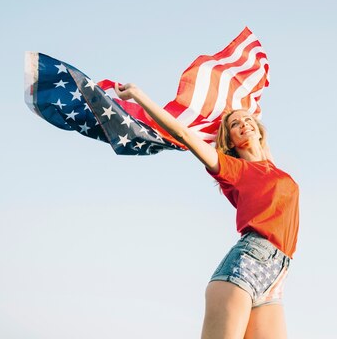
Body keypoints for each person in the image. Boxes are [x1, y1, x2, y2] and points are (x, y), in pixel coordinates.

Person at [114, 83, 299, 339]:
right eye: (235, 124)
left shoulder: (275, 171)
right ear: (230, 140)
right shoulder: (232, 169)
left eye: (248, 119)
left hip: (276, 276)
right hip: (245, 264)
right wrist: (138, 95)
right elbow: (184, 135)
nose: (244, 124)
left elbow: (263, 154)